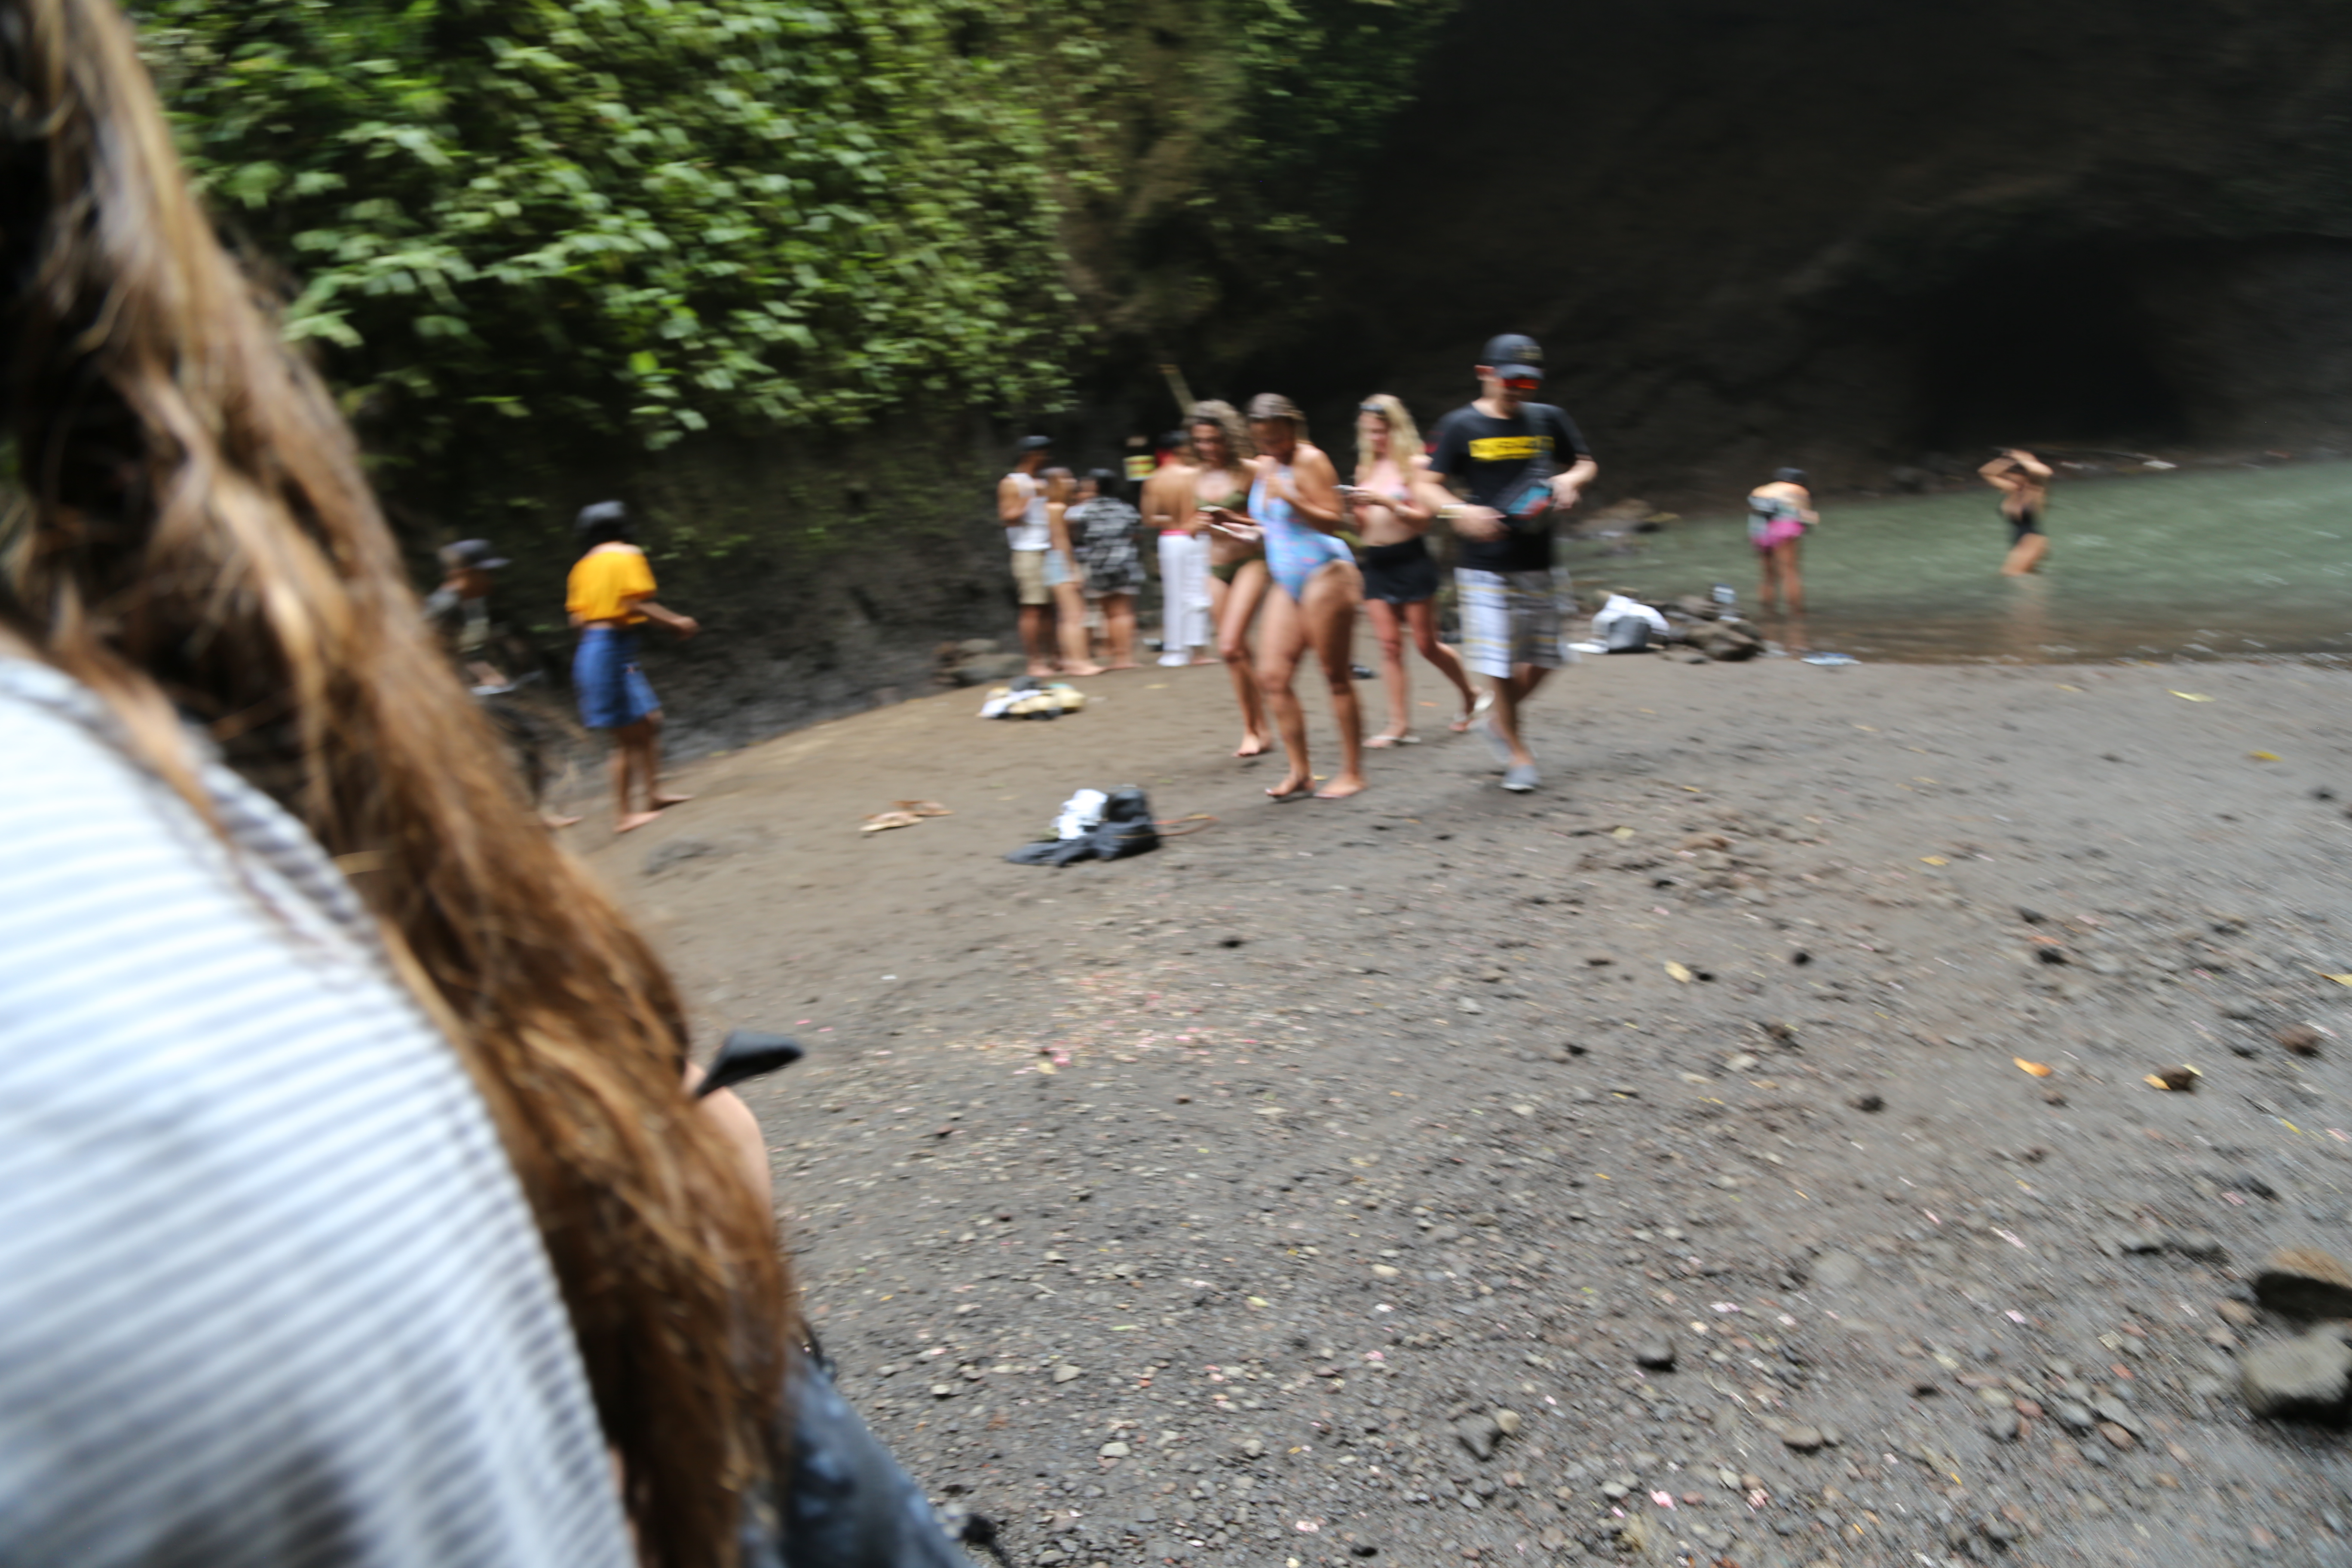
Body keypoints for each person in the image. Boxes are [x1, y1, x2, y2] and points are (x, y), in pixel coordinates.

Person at [0, 5, 835, 1561]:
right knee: (624, 734)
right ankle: (632, 805)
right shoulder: (607, 556)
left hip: (534, 681)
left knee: (611, 734)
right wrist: (645, 621)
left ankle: (631, 799)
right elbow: (581, 618)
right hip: (562, 673)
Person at [1426, 333, 1598, 793]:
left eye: (1529, 383)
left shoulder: (1549, 419)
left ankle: (1500, 722)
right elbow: (1426, 484)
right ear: (1486, 375)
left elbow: (1585, 462)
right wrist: (1459, 512)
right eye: (1512, 381)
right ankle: (1519, 753)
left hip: (1540, 558)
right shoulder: (1458, 426)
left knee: (1550, 655)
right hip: (1485, 564)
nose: (1521, 391)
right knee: (1500, 659)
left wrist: (1569, 480)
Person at [1203, 394, 1366, 799]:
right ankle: (1301, 772)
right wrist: (1234, 524)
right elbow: (1270, 527)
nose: (1271, 447)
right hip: (1289, 580)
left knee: (1336, 677)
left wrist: (1292, 495)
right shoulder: (1267, 465)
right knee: (1272, 677)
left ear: (1293, 428)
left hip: (1327, 574)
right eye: (1263, 440)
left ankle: (1352, 772)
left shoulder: (1311, 460)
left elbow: (1334, 521)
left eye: (1277, 438)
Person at [1346, 393, 1481, 746]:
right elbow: (1362, 529)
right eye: (1370, 432)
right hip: (1376, 563)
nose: (1376, 439)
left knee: (1427, 645)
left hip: (1411, 558)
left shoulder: (1418, 466)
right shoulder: (1365, 469)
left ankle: (1470, 693)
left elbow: (1424, 522)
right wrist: (1354, 511)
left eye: (1382, 431)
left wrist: (1388, 502)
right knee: (1389, 646)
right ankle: (1399, 725)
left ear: (1397, 428)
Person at [423, 540, 584, 830]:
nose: (491, 579)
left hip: (464, 695)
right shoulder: (443, 607)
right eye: (486, 572)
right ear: (465, 573)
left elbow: (460, 652)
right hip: (438, 702)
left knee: (528, 740)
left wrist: (485, 673)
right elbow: (421, 656)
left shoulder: (470, 604)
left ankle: (532, 817)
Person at [567, 501, 698, 833]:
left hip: (600, 650)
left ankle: (653, 795)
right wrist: (676, 623)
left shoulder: (581, 568)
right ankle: (624, 816)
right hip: (610, 651)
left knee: (649, 721)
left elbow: (578, 620)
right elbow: (634, 602)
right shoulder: (627, 555)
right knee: (626, 739)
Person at [1184, 400, 1273, 756]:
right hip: (1215, 566)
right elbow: (1186, 527)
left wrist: (1233, 517)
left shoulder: (1251, 471)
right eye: (1201, 441)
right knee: (1235, 652)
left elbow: (1270, 524)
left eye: (1215, 440)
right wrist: (1198, 524)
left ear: (1230, 438)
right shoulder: (1192, 477)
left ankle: (1261, 726)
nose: (1208, 448)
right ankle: (1255, 728)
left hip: (1250, 561)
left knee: (1231, 643)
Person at [1069, 468, 1146, 668]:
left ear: (1095, 486)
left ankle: (1115, 656)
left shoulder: (1081, 511)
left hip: (1098, 564)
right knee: (1124, 612)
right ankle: (1125, 658)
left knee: (1108, 613)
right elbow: (1137, 534)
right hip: (1125, 562)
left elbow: (1075, 536)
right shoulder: (1126, 508)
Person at [998, 433, 1058, 674]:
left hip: (1051, 550)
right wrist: (1030, 496)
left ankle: (1055, 657)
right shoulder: (1012, 483)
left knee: (1050, 607)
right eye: (1044, 454)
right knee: (1032, 607)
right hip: (1028, 551)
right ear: (1031, 456)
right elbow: (1007, 518)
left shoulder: (1045, 481)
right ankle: (1035, 662)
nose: (1047, 458)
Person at [1039, 466, 1104, 677]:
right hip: (1060, 562)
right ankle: (1079, 662)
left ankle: (1072, 660)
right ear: (1055, 482)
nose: (1071, 481)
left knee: (1069, 616)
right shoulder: (1056, 507)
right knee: (1075, 615)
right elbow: (1061, 542)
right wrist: (1073, 569)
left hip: (1052, 561)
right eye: (1066, 478)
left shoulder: (1049, 506)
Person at [1746, 467, 1817, 614]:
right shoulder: (1798, 490)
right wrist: (1811, 522)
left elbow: (1756, 513)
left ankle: (1768, 612)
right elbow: (1806, 516)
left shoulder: (1761, 490)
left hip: (1759, 531)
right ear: (1800, 481)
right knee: (1790, 572)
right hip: (1783, 530)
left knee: (1768, 575)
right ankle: (1796, 613)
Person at [1980, 447, 2053, 575]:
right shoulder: (2011, 493)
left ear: (2025, 479)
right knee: (2026, 579)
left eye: (2013, 478)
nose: (2008, 481)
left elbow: (2044, 472)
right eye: (2007, 478)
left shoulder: (2035, 493)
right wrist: (2006, 460)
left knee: (2012, 575)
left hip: (2032, 541)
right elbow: (1986, 472)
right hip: (2019, 542)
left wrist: (2024, 459)